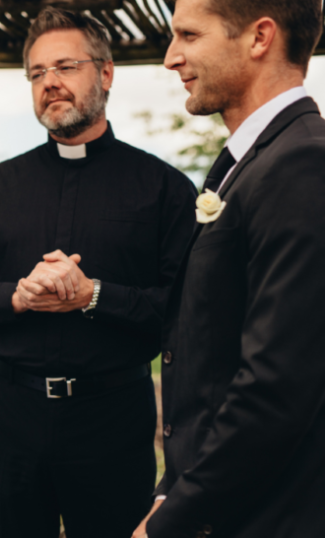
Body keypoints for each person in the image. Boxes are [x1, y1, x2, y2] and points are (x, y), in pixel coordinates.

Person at [0, 7, 197, 538]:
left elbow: (183, 312)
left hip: (113, 416)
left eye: (65, 66)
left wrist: (94, 295)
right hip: (9, 413)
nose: (50, 83)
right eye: (37, 73)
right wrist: (17, 296)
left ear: (105, 74)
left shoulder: (165, 189)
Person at [133, 1, 325, 537]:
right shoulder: (253, 161)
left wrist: (172, 519)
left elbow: (276, 388)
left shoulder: (302, 164)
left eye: (189, 35)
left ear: (260, 38)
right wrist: (171, 486)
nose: (171, 58)